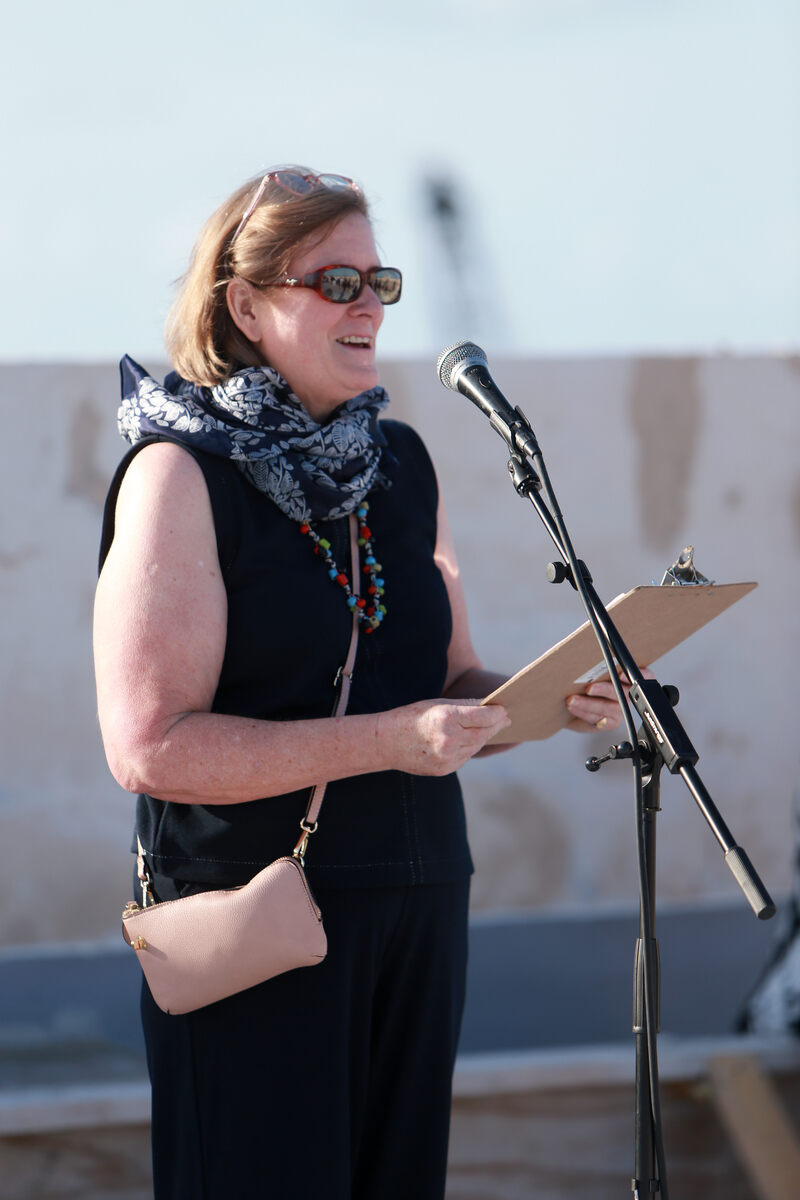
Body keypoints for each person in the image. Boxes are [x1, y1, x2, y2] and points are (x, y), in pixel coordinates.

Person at [93, 166, 628, 1200]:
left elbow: (448, 680)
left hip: (418, 907)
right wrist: (388, 740)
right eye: (335, 283)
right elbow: (149, 747)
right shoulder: (179, 474)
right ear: (246, 305)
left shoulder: (400, 463)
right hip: (258, 927)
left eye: (379, 281)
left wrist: (554, 698)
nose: (369, 306)